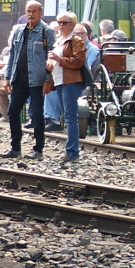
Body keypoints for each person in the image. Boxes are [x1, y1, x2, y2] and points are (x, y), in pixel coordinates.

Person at [0, 0, 54, 160]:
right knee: (13, 111)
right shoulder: (19, 31)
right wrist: (7, 77)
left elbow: (51, 57)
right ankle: (15, 148)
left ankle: (38, 150)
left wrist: (47, 80)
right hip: (19, 79)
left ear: (40, 13)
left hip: (37, 80)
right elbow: (12, 56)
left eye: (34, 11)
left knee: (37, 115)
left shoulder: (46, 31)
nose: (30, 14)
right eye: (28, 11)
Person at [49, 11, 88, 163]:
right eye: (59, 22)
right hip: (60, 80)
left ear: (72, 24)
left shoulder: (76, 41)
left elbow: (78, 61)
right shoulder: (60, 40)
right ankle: (71, 150)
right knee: (67, 116)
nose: (60, 25)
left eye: (64, 22)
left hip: (71, 81)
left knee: (70, 117)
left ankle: (72, 152)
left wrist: (59, 59)